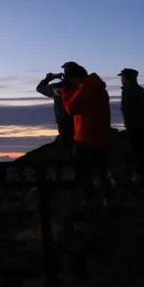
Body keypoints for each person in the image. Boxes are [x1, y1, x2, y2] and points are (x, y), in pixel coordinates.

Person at [60, 62, 115, 206]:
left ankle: (90, 206)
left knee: (85, 175)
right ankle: (108, 202)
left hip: (85, 138)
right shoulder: (97, 87)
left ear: (76, 77)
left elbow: (72, 108)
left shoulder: (87, 88)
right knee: (101, 172)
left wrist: (65, 93)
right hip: (101, 136)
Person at [118, 68, 144, 183]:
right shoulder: (140, 90)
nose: (121, 79)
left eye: (122, 77)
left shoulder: (129, 90)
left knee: (137, 152)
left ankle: (139, 177)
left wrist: (129, 124)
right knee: (143, 152)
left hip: (136, 127)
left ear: (126, 78)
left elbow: (128, 109)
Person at [36, 70, 75, 148]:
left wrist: (48, 79)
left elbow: (40, 88)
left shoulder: (57, 88)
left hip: (64, 122)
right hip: (82, 123)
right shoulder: (84, 86)